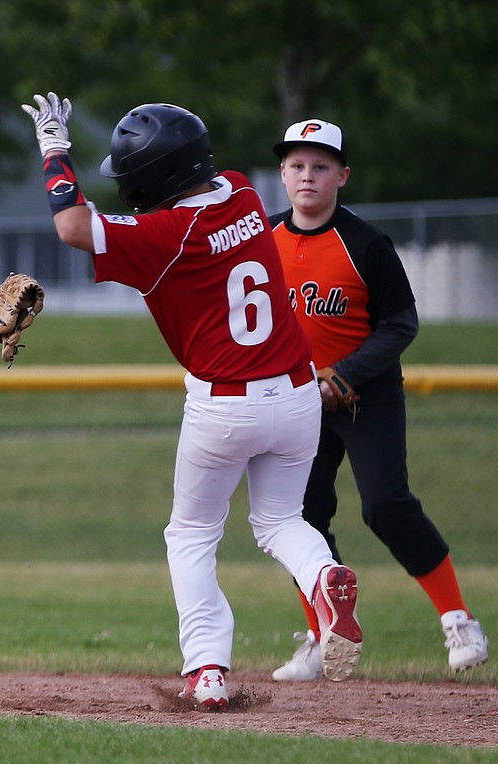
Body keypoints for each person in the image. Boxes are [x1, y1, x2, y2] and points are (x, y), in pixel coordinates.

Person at [21, 93, 363, 711]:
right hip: (295, 395)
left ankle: (207, 670)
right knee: (282, 521)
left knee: (192, 534)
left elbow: (73, 225)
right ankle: (322, 577)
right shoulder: (243, 194)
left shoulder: (164, 236)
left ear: (149, 178)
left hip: (224, 406)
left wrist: (54, 150)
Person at [268, 119, 488, 680]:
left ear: (343, 175)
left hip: (366, 397)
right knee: (300, 518)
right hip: (296, 402)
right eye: (296, 165)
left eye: (320, 166)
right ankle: (323, 638)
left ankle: (458, 619)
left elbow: (399, 325)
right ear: (283, 174)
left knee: (385, 505)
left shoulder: (366, 243)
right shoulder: (264, 242)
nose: (307, 176)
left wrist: (343, 376)